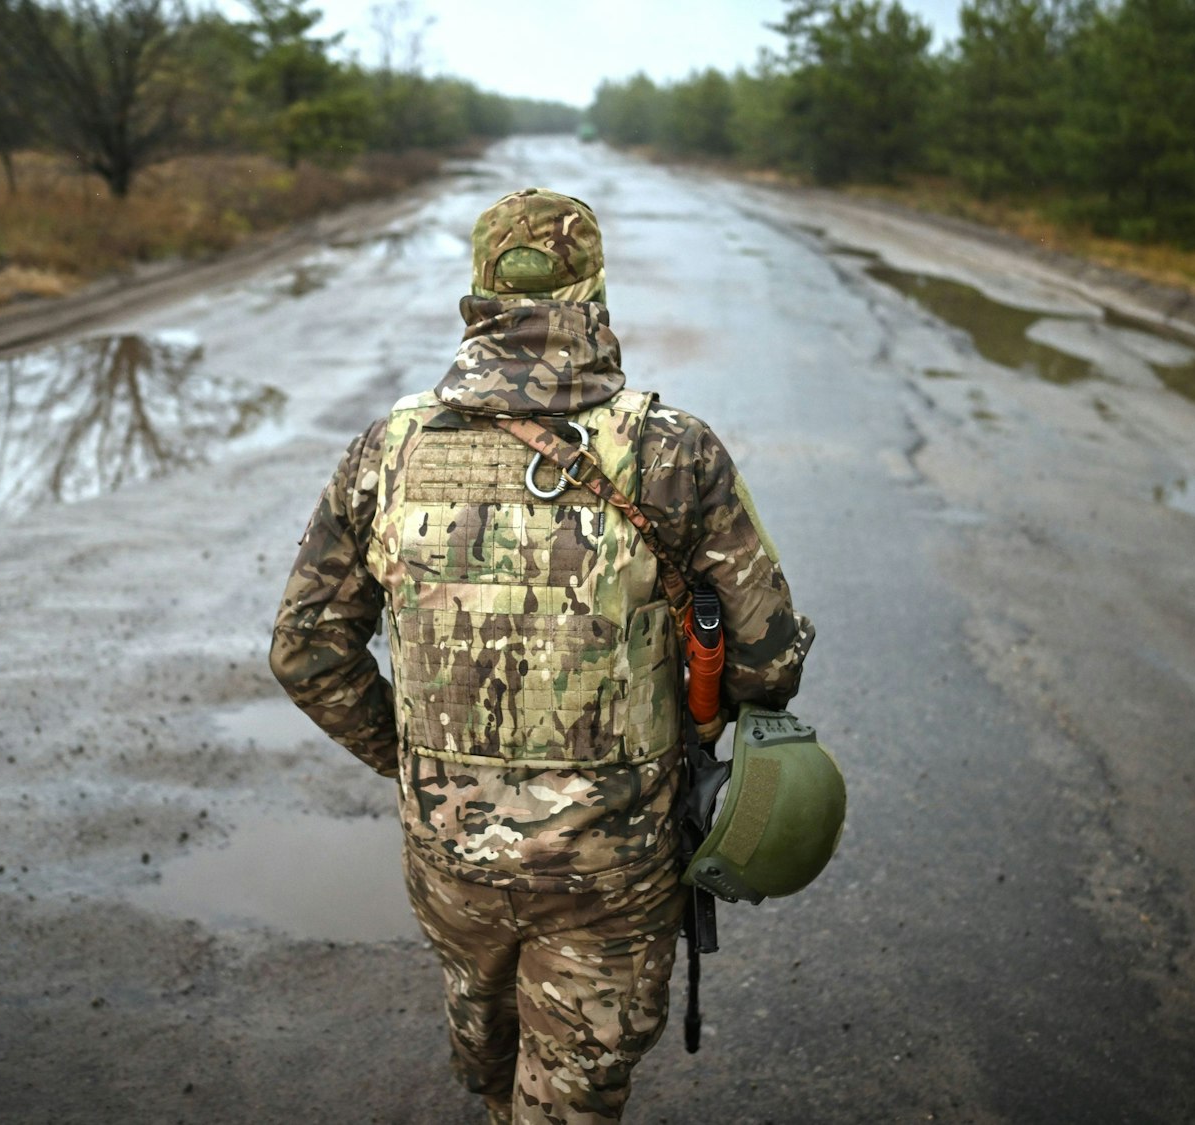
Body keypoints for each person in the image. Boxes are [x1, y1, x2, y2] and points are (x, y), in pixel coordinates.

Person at [270, 187, 813, 1124]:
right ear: (595, 292)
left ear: (478, 294)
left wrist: (414, 764)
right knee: (570, 1097)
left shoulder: (386, 451)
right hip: (615, 865)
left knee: (486, 1056)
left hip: (453, 857)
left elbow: (306, 650)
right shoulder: (673, 453)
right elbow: (768, 655)